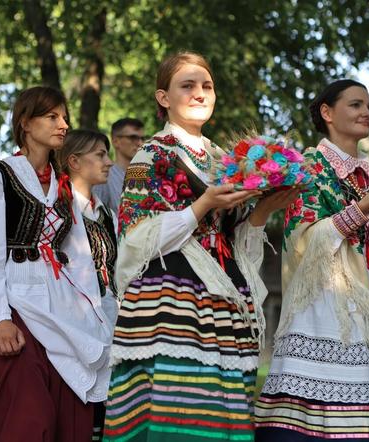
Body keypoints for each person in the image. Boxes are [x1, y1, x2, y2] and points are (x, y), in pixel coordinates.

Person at [103, 51, 297, 442]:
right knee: (177, 416)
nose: (199, 93)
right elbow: (136, 236)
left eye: (206, 86)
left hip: (223, 300)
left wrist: (262, 211)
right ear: (164, 98)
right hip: (169, 300)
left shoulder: (224, 160)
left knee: (220, 415)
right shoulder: (151, 155)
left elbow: (234, 238)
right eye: (187, 86)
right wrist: (202, 204)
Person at [254, 79, 369, 441]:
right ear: (327, 113)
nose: (366, 112)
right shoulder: (310, 166)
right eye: (355, 105)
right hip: (324, 304)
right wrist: (361, 209)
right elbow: (302, 242)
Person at [0, 87, 118, 441]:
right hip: (16, 297)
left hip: (61, 300)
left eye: (64, 116)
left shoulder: (63, 185)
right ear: (25, 122)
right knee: (28, 406)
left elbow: (79, 255)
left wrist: (95, 313)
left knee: (69, 402)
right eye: (52, 116)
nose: (63, 124)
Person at [94, 117, 145, 214]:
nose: (140, 143)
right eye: (133, 138)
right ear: (116, 141)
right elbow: (96, 217)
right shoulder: (104, 176)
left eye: (142, 138)